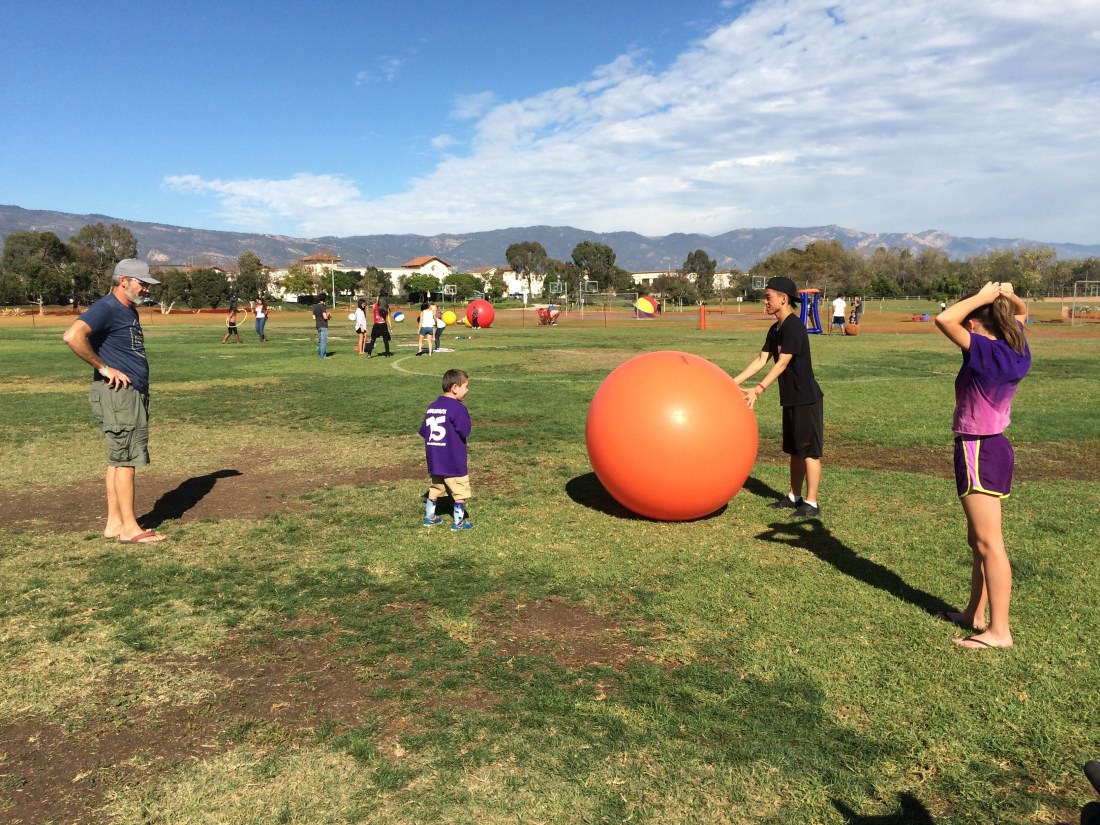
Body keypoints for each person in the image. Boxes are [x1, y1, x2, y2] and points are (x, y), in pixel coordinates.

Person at [933, 281, 1030, 650]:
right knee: (979, 541)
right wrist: (1004, 296)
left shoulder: (987, 351)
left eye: (970, 319)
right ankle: (975, 613)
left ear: (976, 323)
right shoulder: (1015, 345)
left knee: (990, 544)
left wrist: (985, 297)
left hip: (978, 449)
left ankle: (999, 631)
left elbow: (945, 319)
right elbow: (1020, 313)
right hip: (997, 448)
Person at [62, 259, 166, 543]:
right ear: (123, 281)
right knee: (126, 459)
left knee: (117, 458)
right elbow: (72, 336)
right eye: (141, 283)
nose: (145, 289)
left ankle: (115, 523)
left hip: (129, 395)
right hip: (119, 396)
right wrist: (104, 368)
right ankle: (131, 529)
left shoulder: (128, 310)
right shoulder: (106, 308)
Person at [732, 276, 825, 518]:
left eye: (768, 297)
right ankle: (794, 496)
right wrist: (732, 383)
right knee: (794, 450)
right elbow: (762, 359)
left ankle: (812, 503)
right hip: (791, 398)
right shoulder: (775, 329)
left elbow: (782, 363)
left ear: (783, 299)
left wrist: (758, 389)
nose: (765, 301)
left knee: (809, 451)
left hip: (806, 398)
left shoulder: (794, 326)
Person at [419, 369, 473, 530]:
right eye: (466, 386)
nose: (467, 390)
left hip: (435, 458)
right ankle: (458, 522)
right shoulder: (458, 408)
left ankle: (430, 517)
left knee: (436, 487)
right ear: (455, 388)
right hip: (453, 459)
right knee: (459, 492)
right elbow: (465, 431)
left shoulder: (432, 406)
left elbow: (424, 432)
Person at [313, 294, 331, 358]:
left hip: (318, 325)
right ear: (323, 300)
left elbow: (314, 317)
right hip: (323, 325)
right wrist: (329, 314)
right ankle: (323, 356)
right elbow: (325, 317)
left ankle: (320, 353)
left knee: (320, 341)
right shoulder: (322, 307)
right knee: (323, 341)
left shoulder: (315, 307)